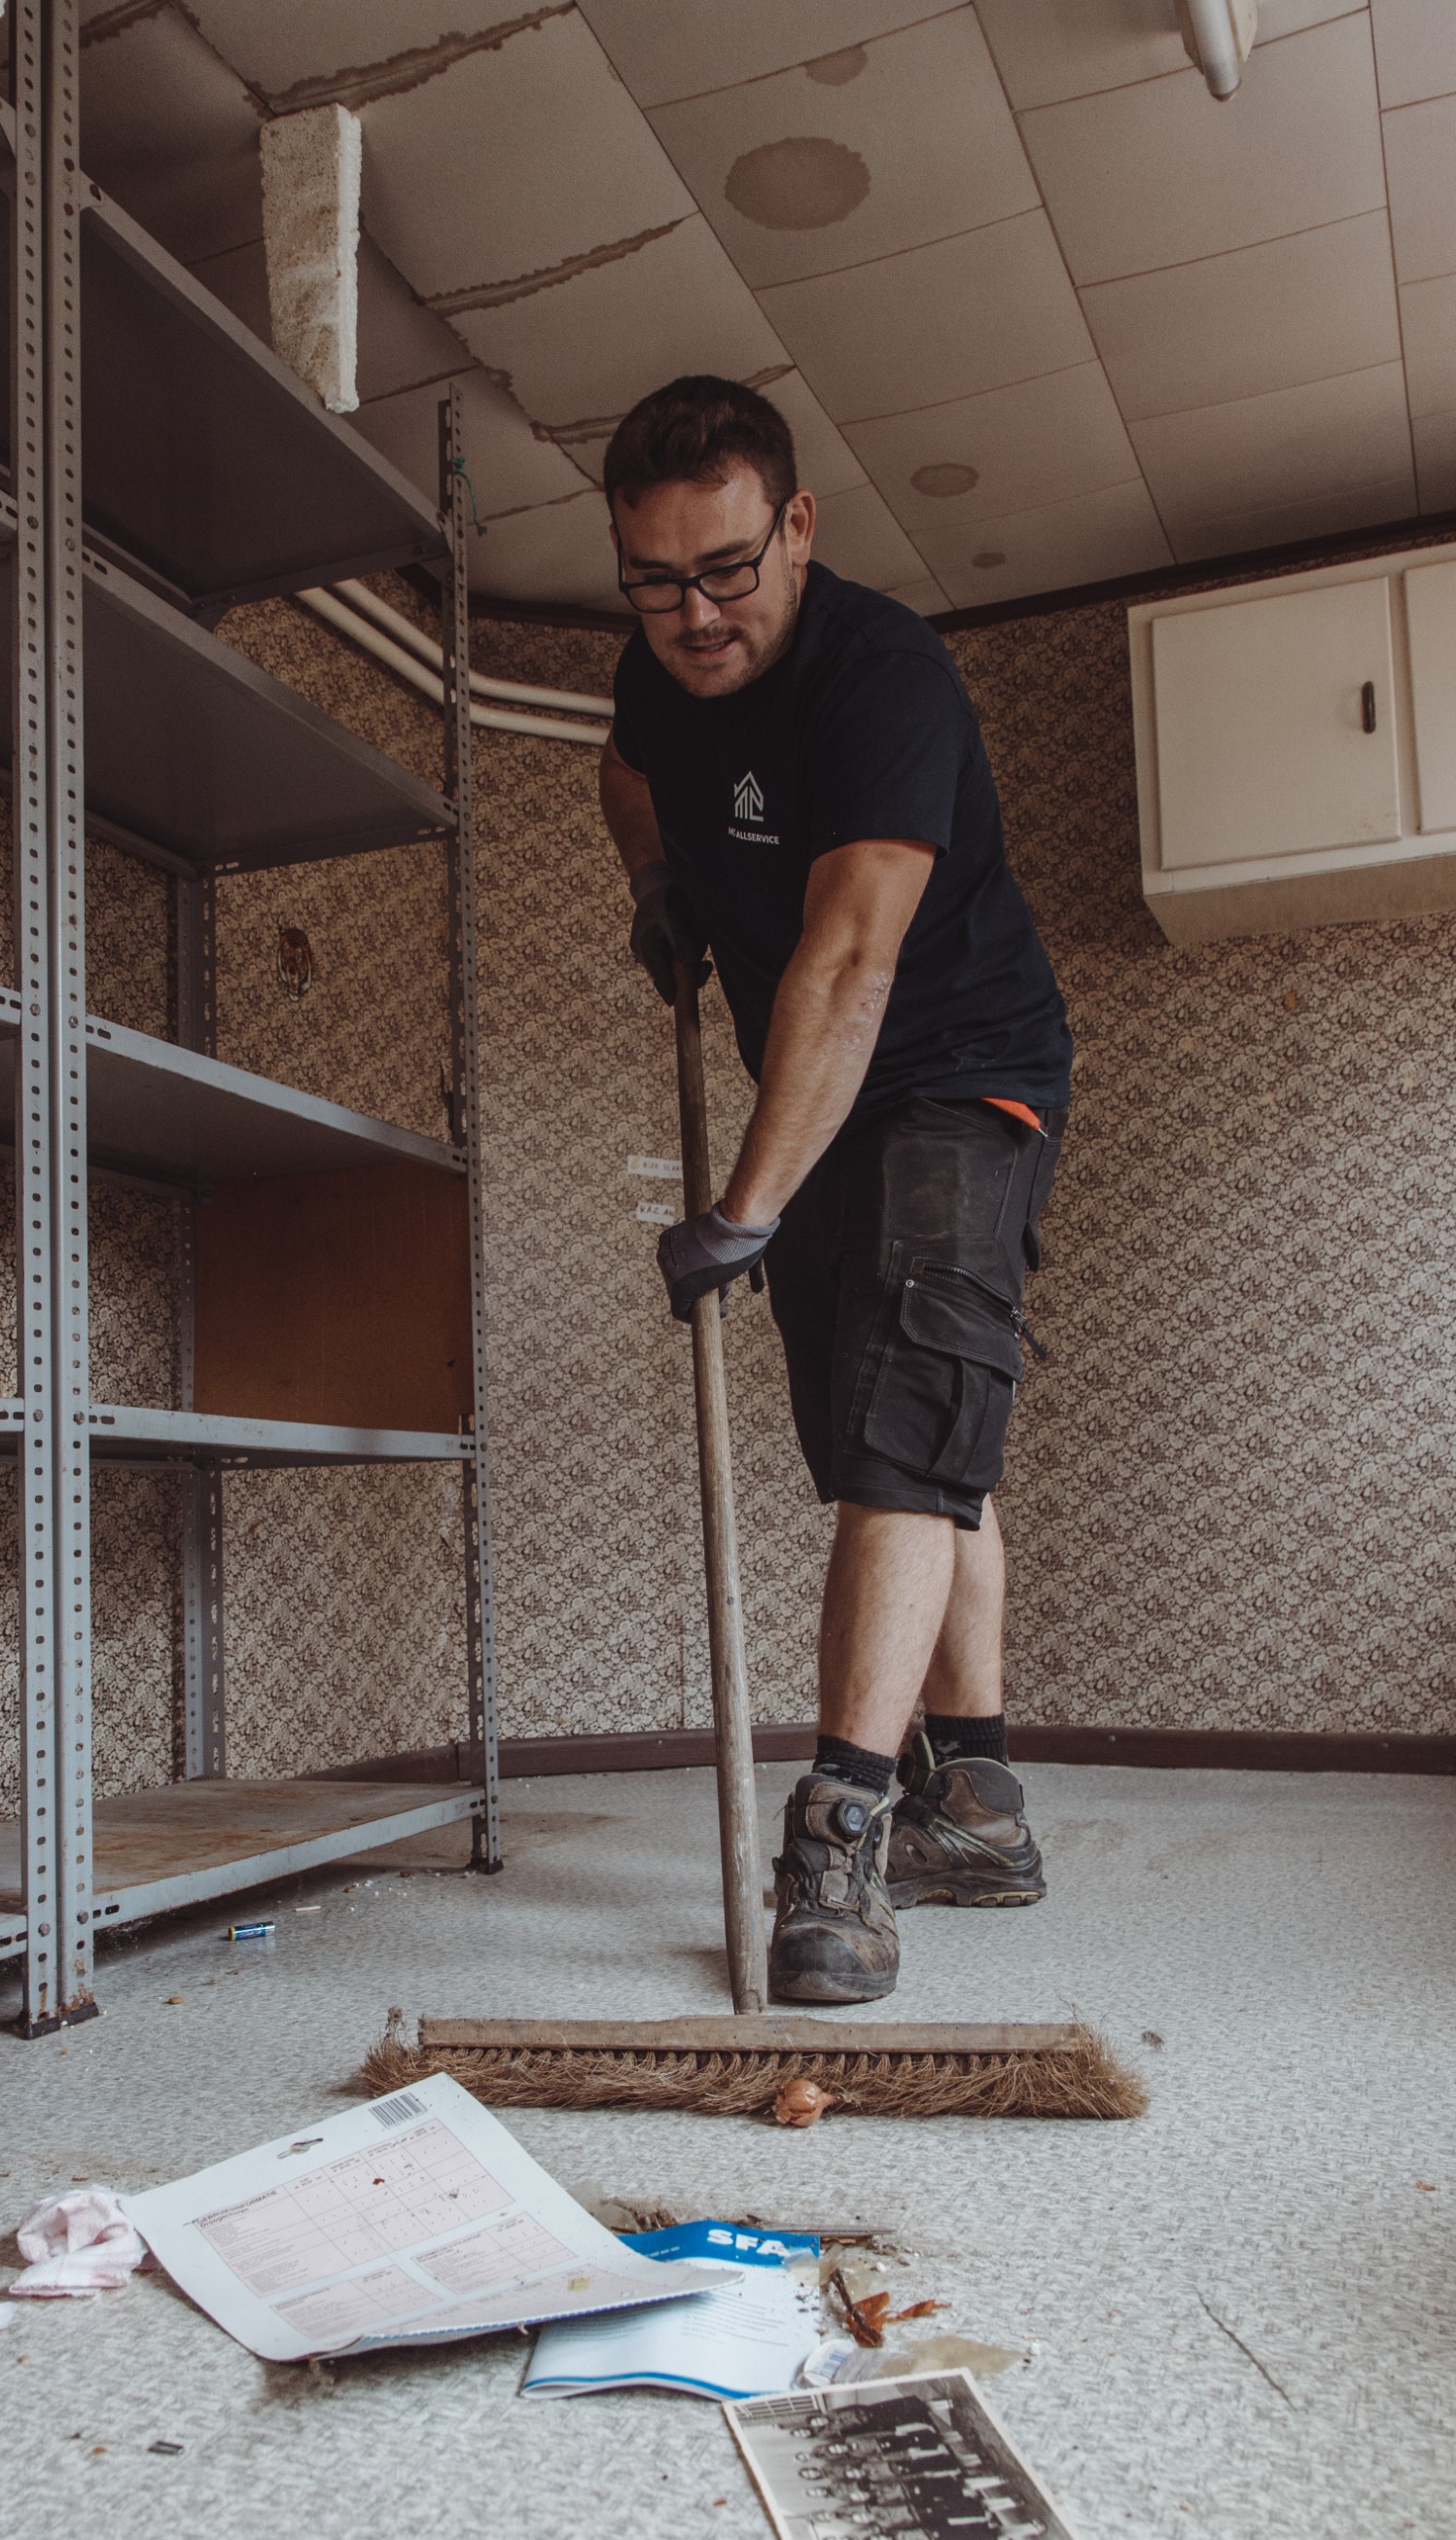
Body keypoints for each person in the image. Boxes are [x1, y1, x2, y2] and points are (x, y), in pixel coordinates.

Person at [598, 376, 1073, 2005]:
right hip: (823, 1102)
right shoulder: (656, 671)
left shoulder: (886, 681)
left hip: (957, 1071)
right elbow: (626, 765)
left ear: (798, 525)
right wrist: (656, 879)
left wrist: (742, 1208)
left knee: (904, 1445)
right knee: (915, 1448)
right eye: (654, 583)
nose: (695, 616)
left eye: (727, 570)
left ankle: (843, 1838)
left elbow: (850, 963)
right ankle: (979, 1810)